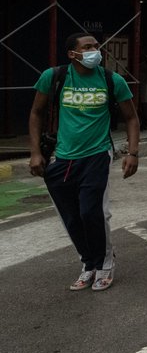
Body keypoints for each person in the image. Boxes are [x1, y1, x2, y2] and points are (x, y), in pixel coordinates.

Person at [28, 32, 140, 292]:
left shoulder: (112, 80)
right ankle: (88, 264)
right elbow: (36, 112)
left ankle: (104, 263)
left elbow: (131, 118)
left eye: (96, 46)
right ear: (72, 54)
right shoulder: (53, 77)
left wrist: (132, 153)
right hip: (63, 156)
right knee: (70, 216)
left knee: (93, 212)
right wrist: (35, 152)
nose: (94, 51)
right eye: (87, 47)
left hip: (97, 154)